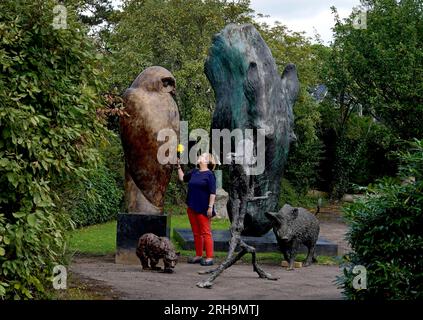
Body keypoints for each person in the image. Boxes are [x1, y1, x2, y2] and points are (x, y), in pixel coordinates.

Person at [177, 153, 216, 266]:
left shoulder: (210, 175)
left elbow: (213, 193)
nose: (199, 156)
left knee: (206, 232)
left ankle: (209, 257)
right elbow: (182, 178)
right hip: (192, 207)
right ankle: (198, 255)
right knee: (196, 233)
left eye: (203, 156)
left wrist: (210, 207)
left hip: (203, 208)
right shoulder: (194, 172)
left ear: (207, 161)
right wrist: (178, 166)